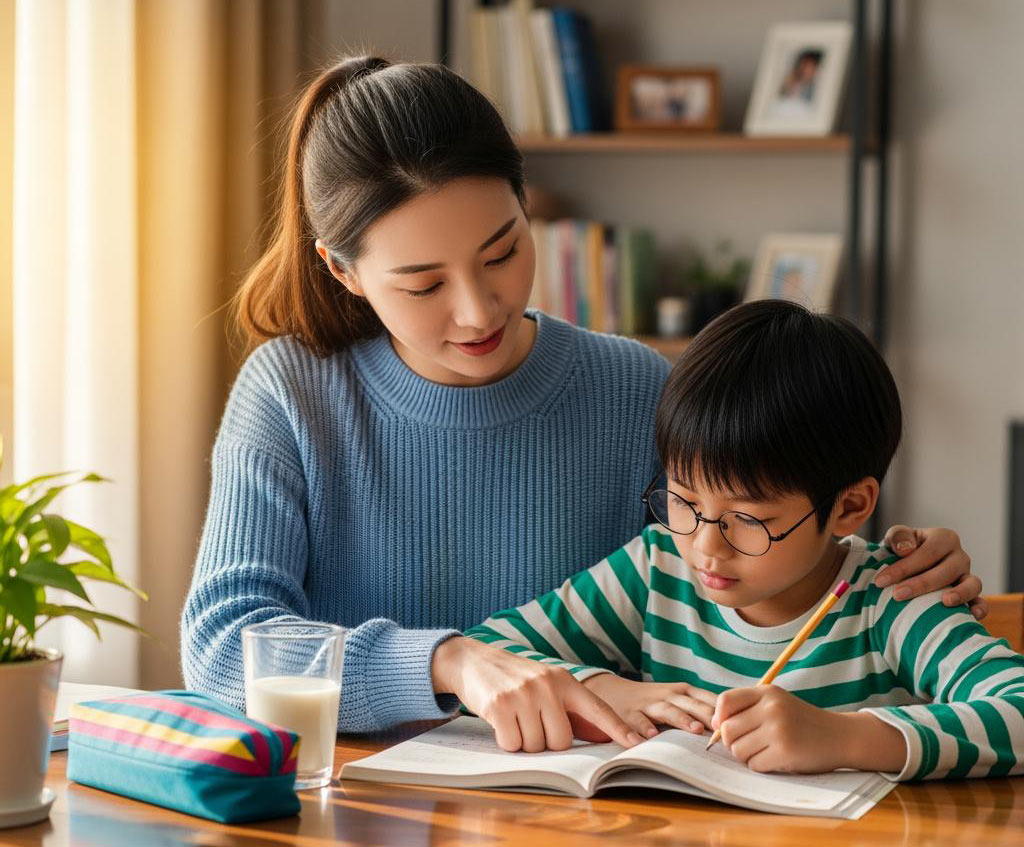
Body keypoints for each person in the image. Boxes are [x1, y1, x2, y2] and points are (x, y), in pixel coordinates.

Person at [180, 56, 984, 744]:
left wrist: (895, 560)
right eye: (424, 284)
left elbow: (742, 564)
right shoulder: (290, 393)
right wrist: (450, 661)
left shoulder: (634, 386)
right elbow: (221, 649)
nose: (478, 310)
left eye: (503, 251)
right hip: (353, 802)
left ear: (527, 206)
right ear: (343, 270)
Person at [466, 300, 1024, 780]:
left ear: (849, 507)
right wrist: (604, 687)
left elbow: (1017, 710)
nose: (707, 547)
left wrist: (844, 737)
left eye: (748, 520)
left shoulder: (891, 598)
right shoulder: (658, 569)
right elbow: (488, 651)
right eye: (685, 502)